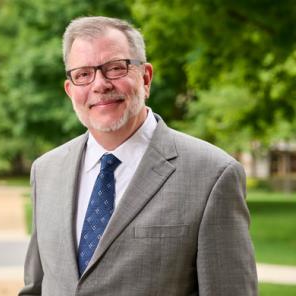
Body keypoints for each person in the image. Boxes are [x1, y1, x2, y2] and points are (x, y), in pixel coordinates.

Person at [19, 16, 258, 296]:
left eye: (115, 68)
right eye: (83, 74)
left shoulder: (213, 175)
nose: (100, 85)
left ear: (145, 78)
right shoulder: (46, 171)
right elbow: (36, 287)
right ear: (70, 89)